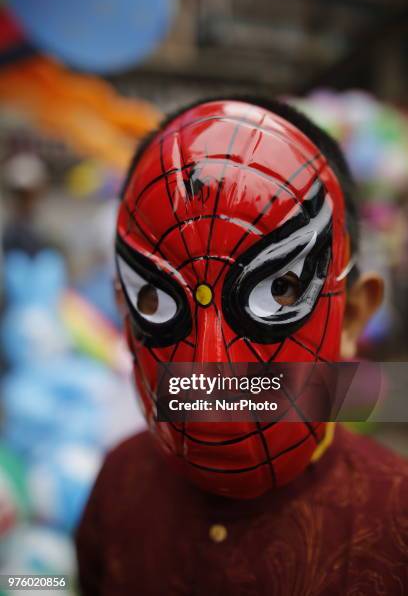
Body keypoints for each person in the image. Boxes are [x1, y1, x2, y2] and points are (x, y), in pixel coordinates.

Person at [76, 97, 408, 595]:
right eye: (157, 298)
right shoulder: (118, 484)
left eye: (281, 289)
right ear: (125, 312)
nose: (211, 368)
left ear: (353, 314)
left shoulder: (394, 521)